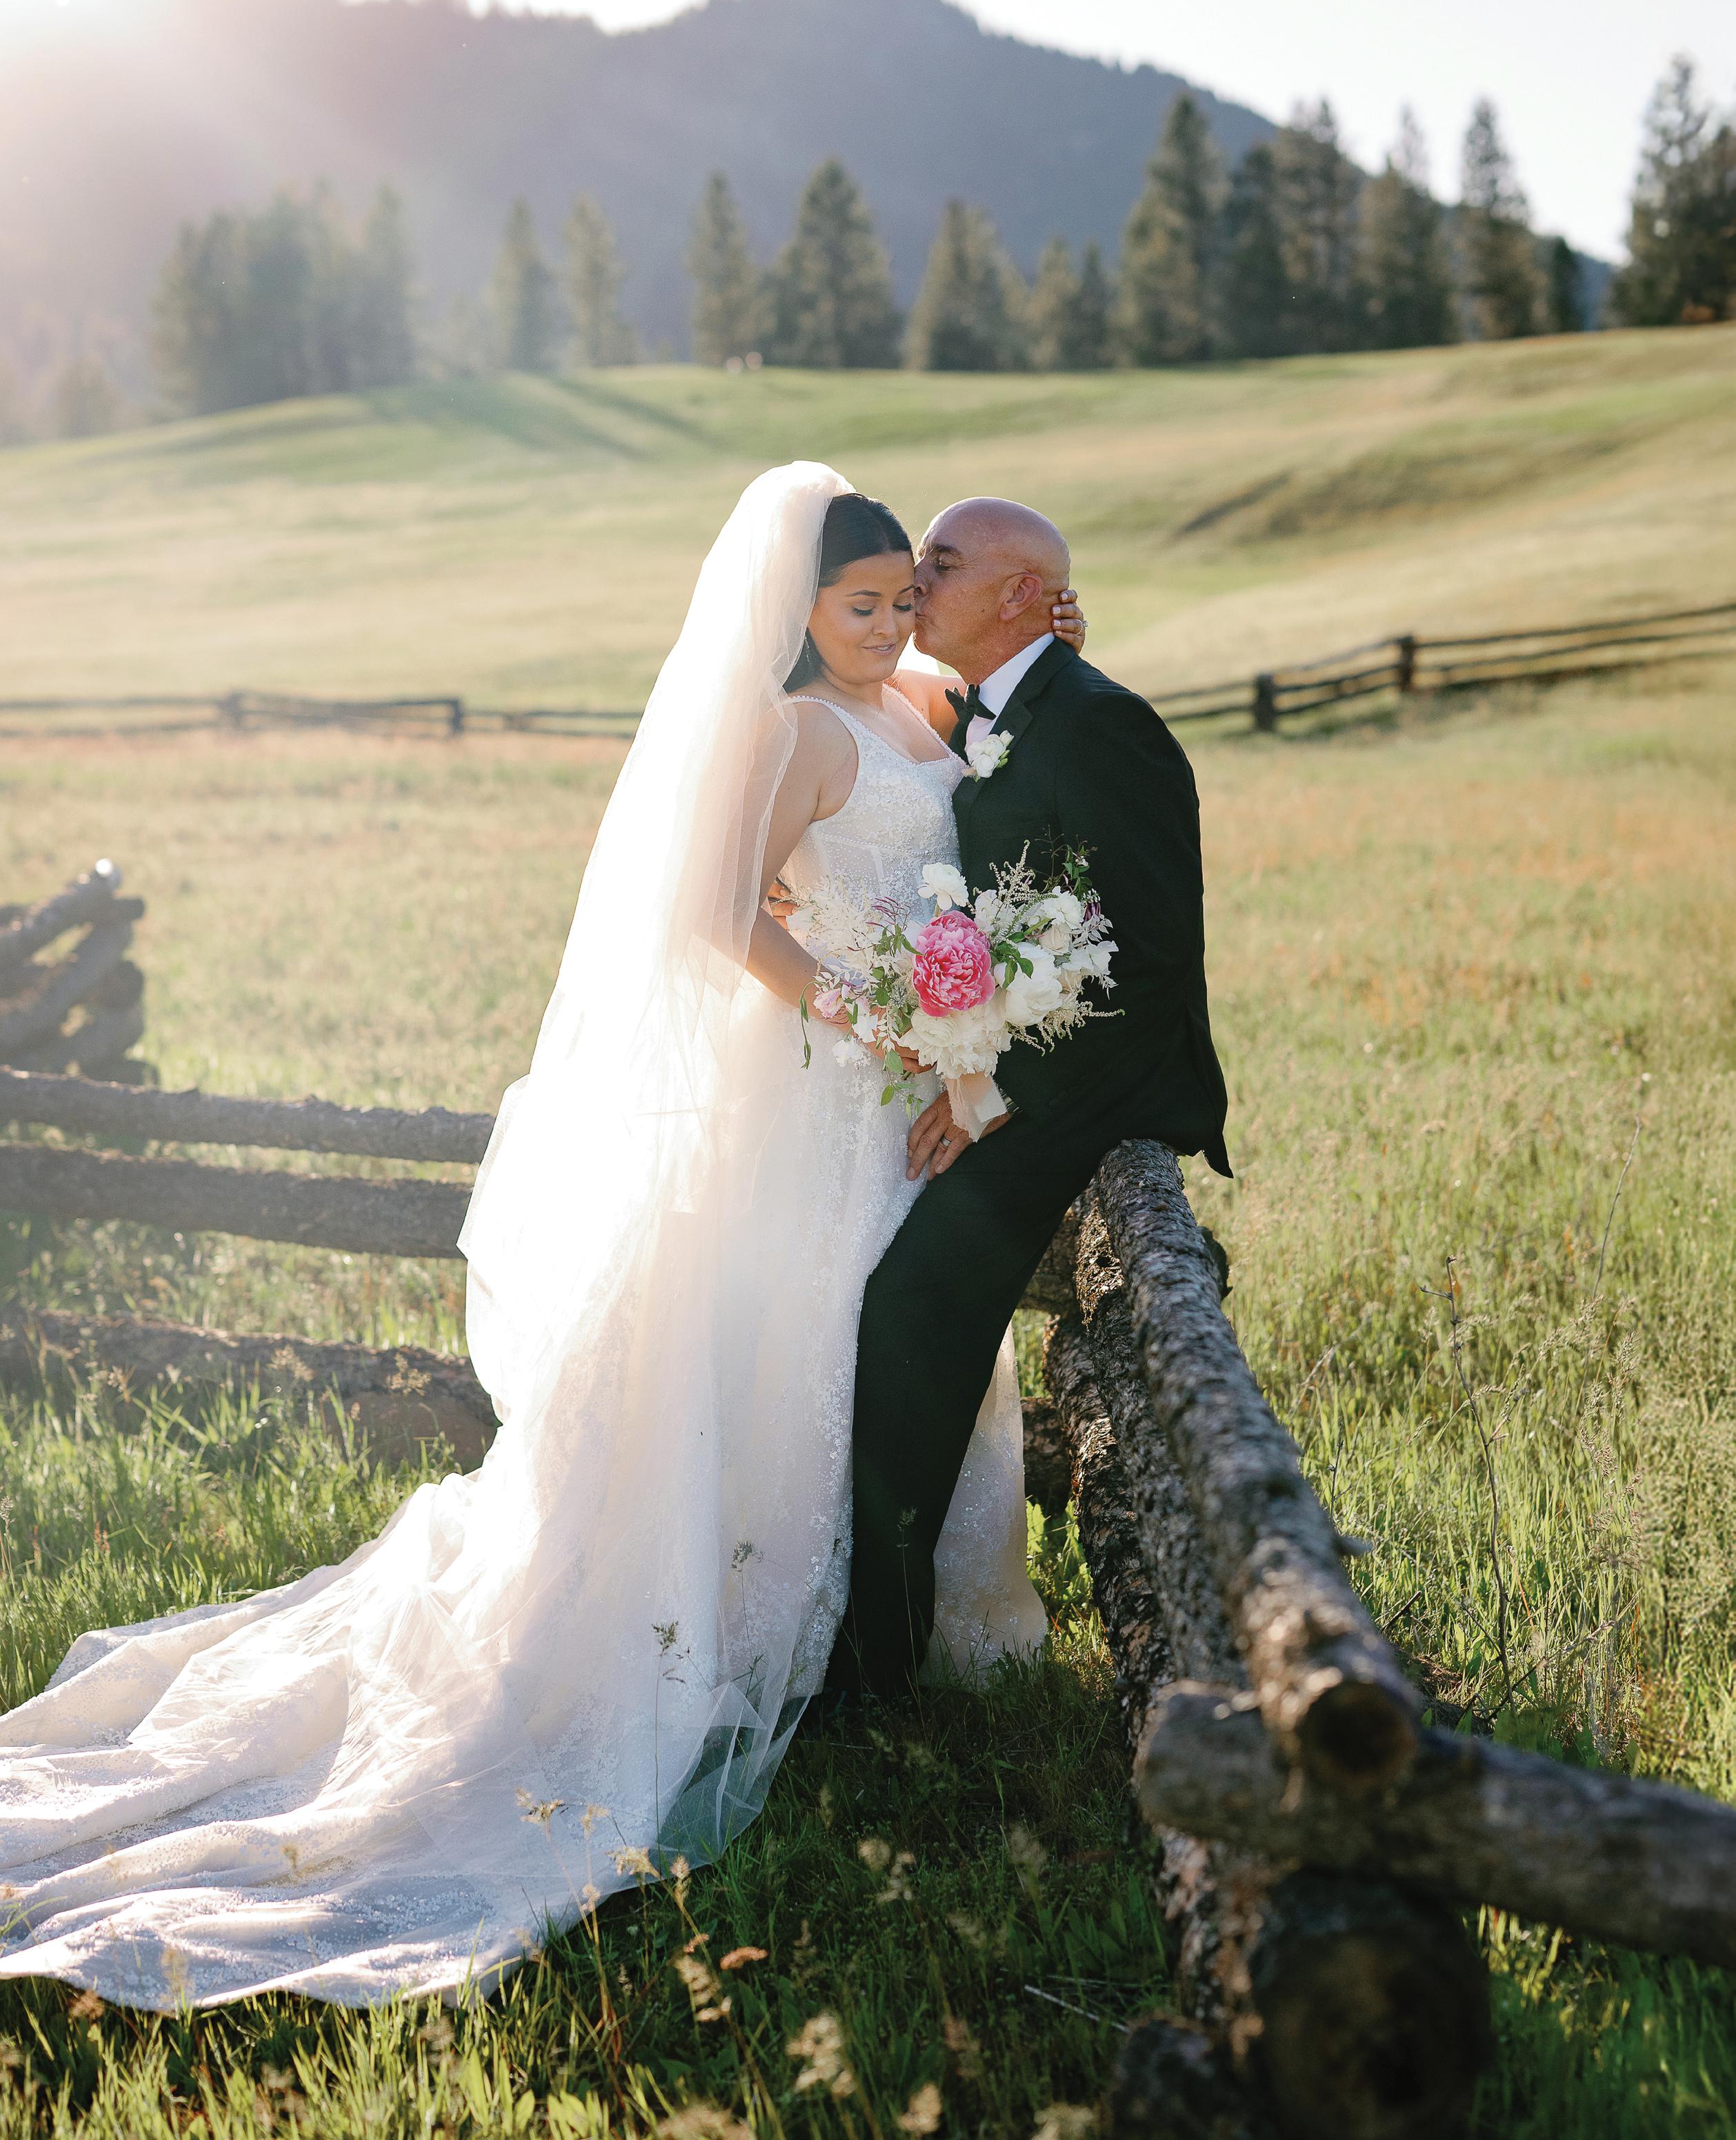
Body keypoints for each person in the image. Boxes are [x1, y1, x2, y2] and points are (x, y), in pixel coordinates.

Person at [0, 466, 1080, 2009]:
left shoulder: (914, 700)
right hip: (818, 1091)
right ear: (792, 611)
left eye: (900, 599)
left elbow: (1000, 733)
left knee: (900, 1344)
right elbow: (720, 916)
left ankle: (913, 1634)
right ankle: (751, 1635)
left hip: (902, 1093)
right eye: (856, 606)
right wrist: (877, 1015)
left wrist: (1044, 657)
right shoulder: (794, 730)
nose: (884, 625)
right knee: (802, 1345)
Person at [828, 496, 1230, 1707]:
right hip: (1006, 1068)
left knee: (908, 1317)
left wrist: (993, 1094)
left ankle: (877, 1673)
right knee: (889, 1312)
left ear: (1014, 594)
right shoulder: (990, 705)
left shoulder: (1103, 724)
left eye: (940, 567)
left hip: (1084, 1089)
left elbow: (1150, 959)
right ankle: (865, 1641)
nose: (914, 586)